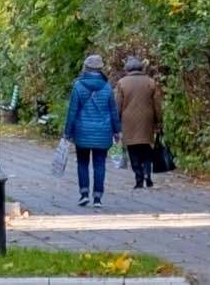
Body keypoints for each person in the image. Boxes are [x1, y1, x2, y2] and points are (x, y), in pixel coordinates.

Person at [65, 53, 121, 207]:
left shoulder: (78, 86)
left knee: (82, 163)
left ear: (86, 67)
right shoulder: (107, 87)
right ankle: (97, 197)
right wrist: (117, 130)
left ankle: (84, 194)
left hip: (82, 131)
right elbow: (113, 111)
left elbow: (72, 111)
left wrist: (67, 132)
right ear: (100, 69)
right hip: (103, 131)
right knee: (99, 164)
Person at [115, 54, 164, 190]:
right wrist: (159, 123)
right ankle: (148, 173)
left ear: (127, 69)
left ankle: (139, 178)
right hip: (147, 119)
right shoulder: (150, 82)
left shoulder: (122, 83)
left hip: (128, 120)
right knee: (146, 148)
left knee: (133, 149)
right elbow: (157, 105)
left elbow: (118, 105)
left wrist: (115, 123)